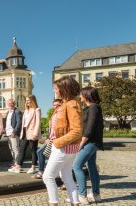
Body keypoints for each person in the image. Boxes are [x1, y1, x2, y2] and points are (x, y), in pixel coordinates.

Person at [43, 76, 83, 206]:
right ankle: (75, 203)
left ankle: (53, 203)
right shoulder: (66, 103)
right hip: (66, 147)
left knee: (47, 176)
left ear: (64, 89)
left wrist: (57, 142)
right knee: (66, 176)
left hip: (63, 147)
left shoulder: (71, 104)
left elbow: (77, 130)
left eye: (56, 88)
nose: (54, 90)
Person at [72, 87, 104, 204]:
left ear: (86, 95)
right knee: (91, 167)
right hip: (93, 142)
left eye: (81, 95)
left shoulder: (93, 108)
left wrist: (81, 142)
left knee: (77, 166)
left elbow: (90, 128)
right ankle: (96, 195)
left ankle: (82, 196)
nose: (80, 97)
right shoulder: (92, 108)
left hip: (90, 142)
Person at [34, 99, 62, 179]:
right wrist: (47, 138)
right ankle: (43, 172)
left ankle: (44, 172)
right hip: (52, 139)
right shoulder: (54, 114)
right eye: (54, 105)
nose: (55, 106)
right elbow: (52, 129)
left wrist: (51, 139)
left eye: (58, 105)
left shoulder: (60, 114)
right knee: (41, 152)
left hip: (56, 140)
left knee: (42, 153)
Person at [15, 95, 41, 174]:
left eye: (29, 100)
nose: (27, 102)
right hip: (24, 131)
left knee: (33, 150)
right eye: (26, 100)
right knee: (21, 149)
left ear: (33, 101)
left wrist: (35, 133)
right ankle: (18, 166)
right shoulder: (26, 111)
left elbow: (38, 122)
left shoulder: (37, 109)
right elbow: (24, 123)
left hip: (32, 131)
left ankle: (33, 167)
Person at [5, 99, 23, 173]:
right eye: (9, 103)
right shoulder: (8, 112)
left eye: (12, 103)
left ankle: (17, 164)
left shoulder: (17, 111)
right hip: (8, 133)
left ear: (14, 103)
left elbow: (19, 123)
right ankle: (15, 162)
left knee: (16, 149)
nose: (10, 105)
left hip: (13, 133)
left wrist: (14, 132)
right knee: (11, 149)